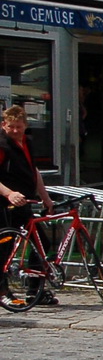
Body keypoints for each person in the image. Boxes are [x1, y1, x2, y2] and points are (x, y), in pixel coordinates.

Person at [0, 106, 53, 304]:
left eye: (19, 127)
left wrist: (45, 197)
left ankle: (35, 291)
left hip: (25, 202)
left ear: (25, 126)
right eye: (11, 126)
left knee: (41, 243)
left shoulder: (26, 143)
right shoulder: (2, 145)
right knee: (4, 248)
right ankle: (2, 292)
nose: (15, 130)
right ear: (3, 125)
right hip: (5, 205)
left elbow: (34, 171)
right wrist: (9, 193)